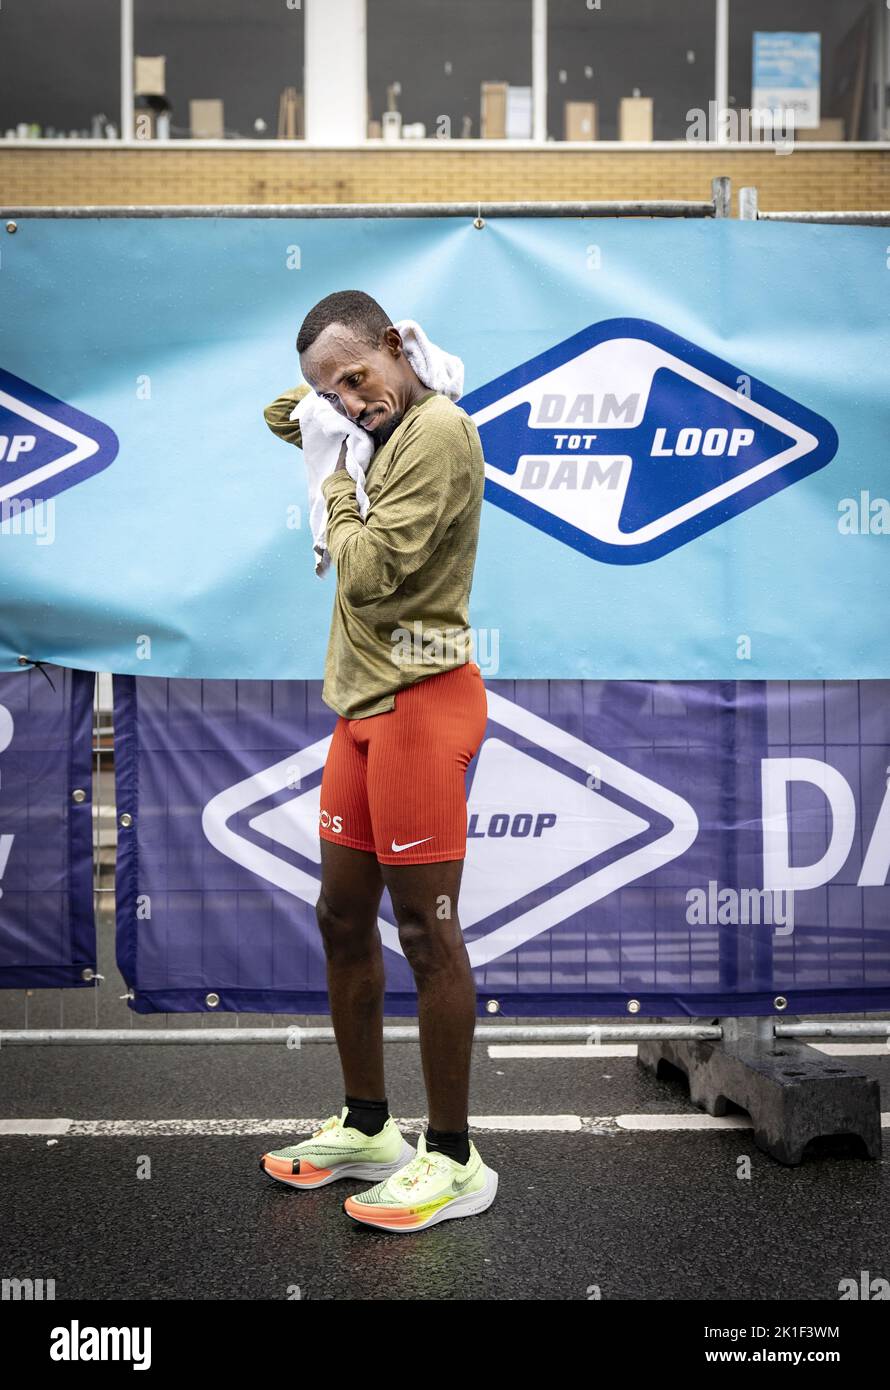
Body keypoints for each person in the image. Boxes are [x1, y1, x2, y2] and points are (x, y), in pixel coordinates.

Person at [258, 289, 497, 1232]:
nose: (350, 403)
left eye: (358, 377)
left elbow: (363, 573)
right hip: (363, 705)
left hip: (423, 700)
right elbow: (287, 414)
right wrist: (330, 408)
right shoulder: (381, 426)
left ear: (400, 345)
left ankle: (455, 1159)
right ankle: (369, 1127)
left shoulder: (435, 433)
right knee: (340, 916)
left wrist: (331, 478)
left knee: (428, 933)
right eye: (337, 391)